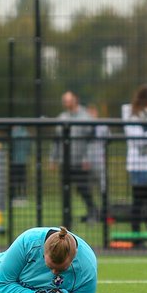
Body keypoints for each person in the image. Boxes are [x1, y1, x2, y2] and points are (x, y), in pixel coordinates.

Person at [51, 90, 101, 223]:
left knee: (84, 190)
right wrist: (53, 159)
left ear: (75, 99)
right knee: (65, 192)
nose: (65, 103)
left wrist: (87, 158)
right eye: (64, 100)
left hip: (80, 162)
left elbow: (92, 141)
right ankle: (67, 220)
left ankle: (93, 212)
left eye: (68, 100)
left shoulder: (86, 117)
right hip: (65, 162)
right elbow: (56, 140)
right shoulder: (61, 118)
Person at [122, 84, 147, 242]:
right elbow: (138, 140)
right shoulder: (131, 114)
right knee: (139, 203)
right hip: (138, 166)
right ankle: (136, 237)